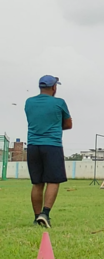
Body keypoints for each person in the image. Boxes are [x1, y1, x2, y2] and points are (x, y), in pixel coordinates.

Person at [24, 75, 72, 228]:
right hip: (52, 145)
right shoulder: (59, 103)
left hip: (33, 146)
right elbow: (68, 124)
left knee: (37, 182)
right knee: (53, 180)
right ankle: (45, 213)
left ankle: (37, 216)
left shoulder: (29, 102)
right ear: (54, 87)